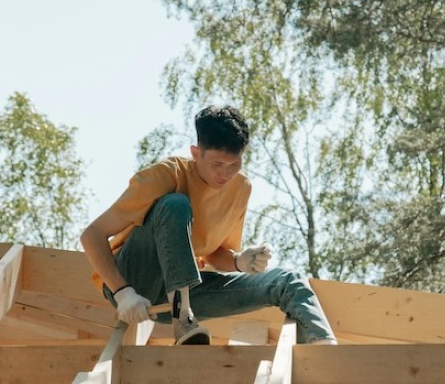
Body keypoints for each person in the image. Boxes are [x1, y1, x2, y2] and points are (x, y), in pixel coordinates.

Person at [80, 104, 338, 345]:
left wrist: (239, 261)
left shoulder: (240, 188)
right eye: (217, 164)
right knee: (175, 205)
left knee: (287, 281)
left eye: (234, 165)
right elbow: (92, 235)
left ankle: (325, 351)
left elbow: (215, 253)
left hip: (183, 292)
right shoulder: (167, 174)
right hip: (136, 281)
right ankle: (183, 317)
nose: (225, 174)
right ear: (196, 153)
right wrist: (122, 291)